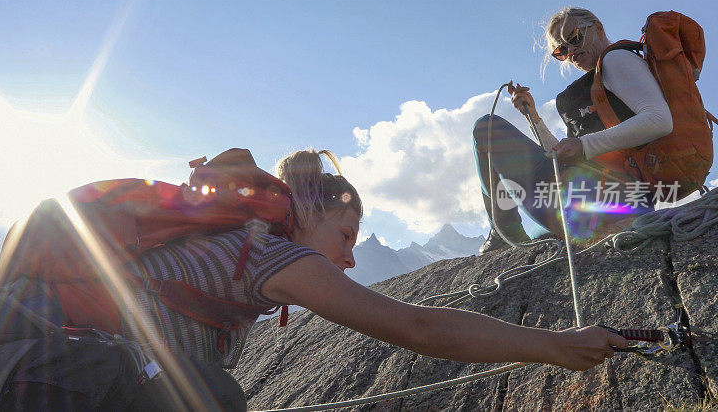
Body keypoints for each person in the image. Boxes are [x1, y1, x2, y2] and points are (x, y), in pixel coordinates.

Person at [108, 148, 627, 410]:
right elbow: (419, 328)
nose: (350, 259)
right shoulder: (269, 254)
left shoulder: (239, 248)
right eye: (347, 236)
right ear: (309, 211)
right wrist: (553, 345)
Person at [474, 7, 674, 253]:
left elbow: (659, 119)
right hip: (613, 201)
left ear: (598, 27)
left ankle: (502, 232)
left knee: (486, 128)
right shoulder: (597, 86)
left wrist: (583, 145)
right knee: (539, 234)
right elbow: (561, 159)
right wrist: (534, 117)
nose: (571, 52)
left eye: (575, 37)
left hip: (608, 198)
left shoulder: (616, 59)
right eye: (562, 51)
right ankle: (509, 233)